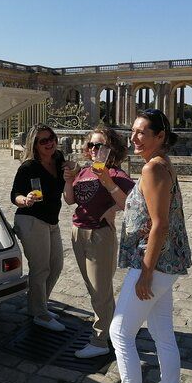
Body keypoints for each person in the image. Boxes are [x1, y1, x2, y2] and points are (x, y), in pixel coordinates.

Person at [93, 109, 192, 383]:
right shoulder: (160, 165)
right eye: (132, 131)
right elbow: (144, 212)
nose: (134, 137)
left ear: (160, 136)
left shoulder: (153, 170)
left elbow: (160, 225)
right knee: (162, 331)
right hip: (165, 260)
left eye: (141, 132)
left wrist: (146, 274)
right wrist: (108, 182)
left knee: (120, 332)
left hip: (153, 261)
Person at [63, 127, 134, 358]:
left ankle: (100, 341)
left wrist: (111, 203)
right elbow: (70, 200)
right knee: (93, 288)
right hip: (78, 231)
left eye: (99, 145)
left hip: (99, 235)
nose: (94, 150)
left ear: (111, 148)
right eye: (91, 145)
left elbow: (132, 203)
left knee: (100, 291)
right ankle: (114, 332)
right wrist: (68, 180)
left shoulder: (115, 174)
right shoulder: (84, 172)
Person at [11, 124, 67, 332]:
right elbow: (14, 194)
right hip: (31, 219)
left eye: (51, 137)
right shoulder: (29, 167)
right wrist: (24, 199)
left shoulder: (59, 158)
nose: (49, 143)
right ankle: (40, 314)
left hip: (51, 219)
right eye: (43, 140)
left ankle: (38, 306)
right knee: (41, 268)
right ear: (34, 145)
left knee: (56, 265)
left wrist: (72, 168)